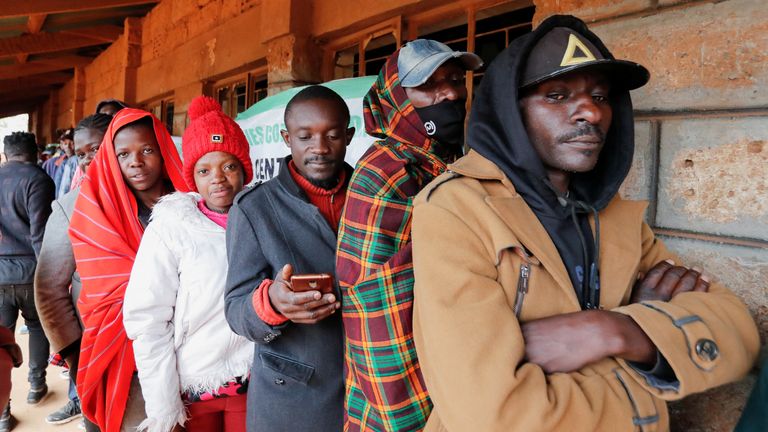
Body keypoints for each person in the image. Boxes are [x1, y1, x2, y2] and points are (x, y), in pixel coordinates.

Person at [409, 15, 760, 431]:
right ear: (509, 114)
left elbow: (737, 335)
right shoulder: (457, 209)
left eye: (600, 96)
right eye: (557, 96)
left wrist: (613, 330)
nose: (591, 113)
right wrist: (651, 354)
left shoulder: (609, 214)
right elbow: (496, 415)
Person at [335, 39, 481, 431]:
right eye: (428, 86)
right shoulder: (388, 174)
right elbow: (374, 311)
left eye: (454, 79)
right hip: (401, 407)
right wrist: (416, 421)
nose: (449, 93)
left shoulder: (445, 162)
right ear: (397, 98)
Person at [225, 85, 354, 431]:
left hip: (371, 387)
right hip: (293, 397)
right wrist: (272, 303)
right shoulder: (255, 209)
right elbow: (236, 309)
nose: (320, 148)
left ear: (349, 136)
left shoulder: (372, 196)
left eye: (332, 135)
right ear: (286, 138)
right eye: (305, 136)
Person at [123, 96, 254, 432]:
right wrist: (164, 405)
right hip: (193, 386)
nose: (218, 179)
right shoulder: (171, 227)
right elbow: (148, 319)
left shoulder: (263, 218)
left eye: (229, 166)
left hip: (255, 382)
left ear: (245, 170)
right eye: (204, 170)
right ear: (191, 177)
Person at [68, 109, 188, 432]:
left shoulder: (191, 204)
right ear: (111, 158)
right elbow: (107, 288)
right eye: (124, 154)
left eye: (147, 150)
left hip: (195, 352)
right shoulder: (96, 213)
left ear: (164, 150)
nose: (136, 161)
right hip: (129, 358)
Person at [35, 113, 112, 429]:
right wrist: (76, 355)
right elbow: (48, 290)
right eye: (81, 155)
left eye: (96, 149)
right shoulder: (71, 206)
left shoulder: (158, 198)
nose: (88, 161)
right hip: (96, 350)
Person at [0, 131, 55, 430]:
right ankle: (36, 386)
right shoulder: (39, 179)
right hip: (31, 271)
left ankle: (3, 413)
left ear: (7, 155)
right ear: (34, 153)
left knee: (0, 340)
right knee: (37, 327)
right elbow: (40, 233)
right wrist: (49, 275)